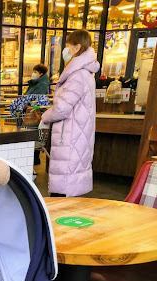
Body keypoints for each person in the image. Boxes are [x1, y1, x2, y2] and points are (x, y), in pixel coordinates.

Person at [40, 29, 100, 197]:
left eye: (67, 46)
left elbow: (62, 109)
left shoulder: (77, 75)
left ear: (77, 47)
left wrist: (45, 116)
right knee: (69, 187)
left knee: (63, 190)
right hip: (75, 134)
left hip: (70, 136)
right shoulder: (85, 73)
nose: (65, 50)